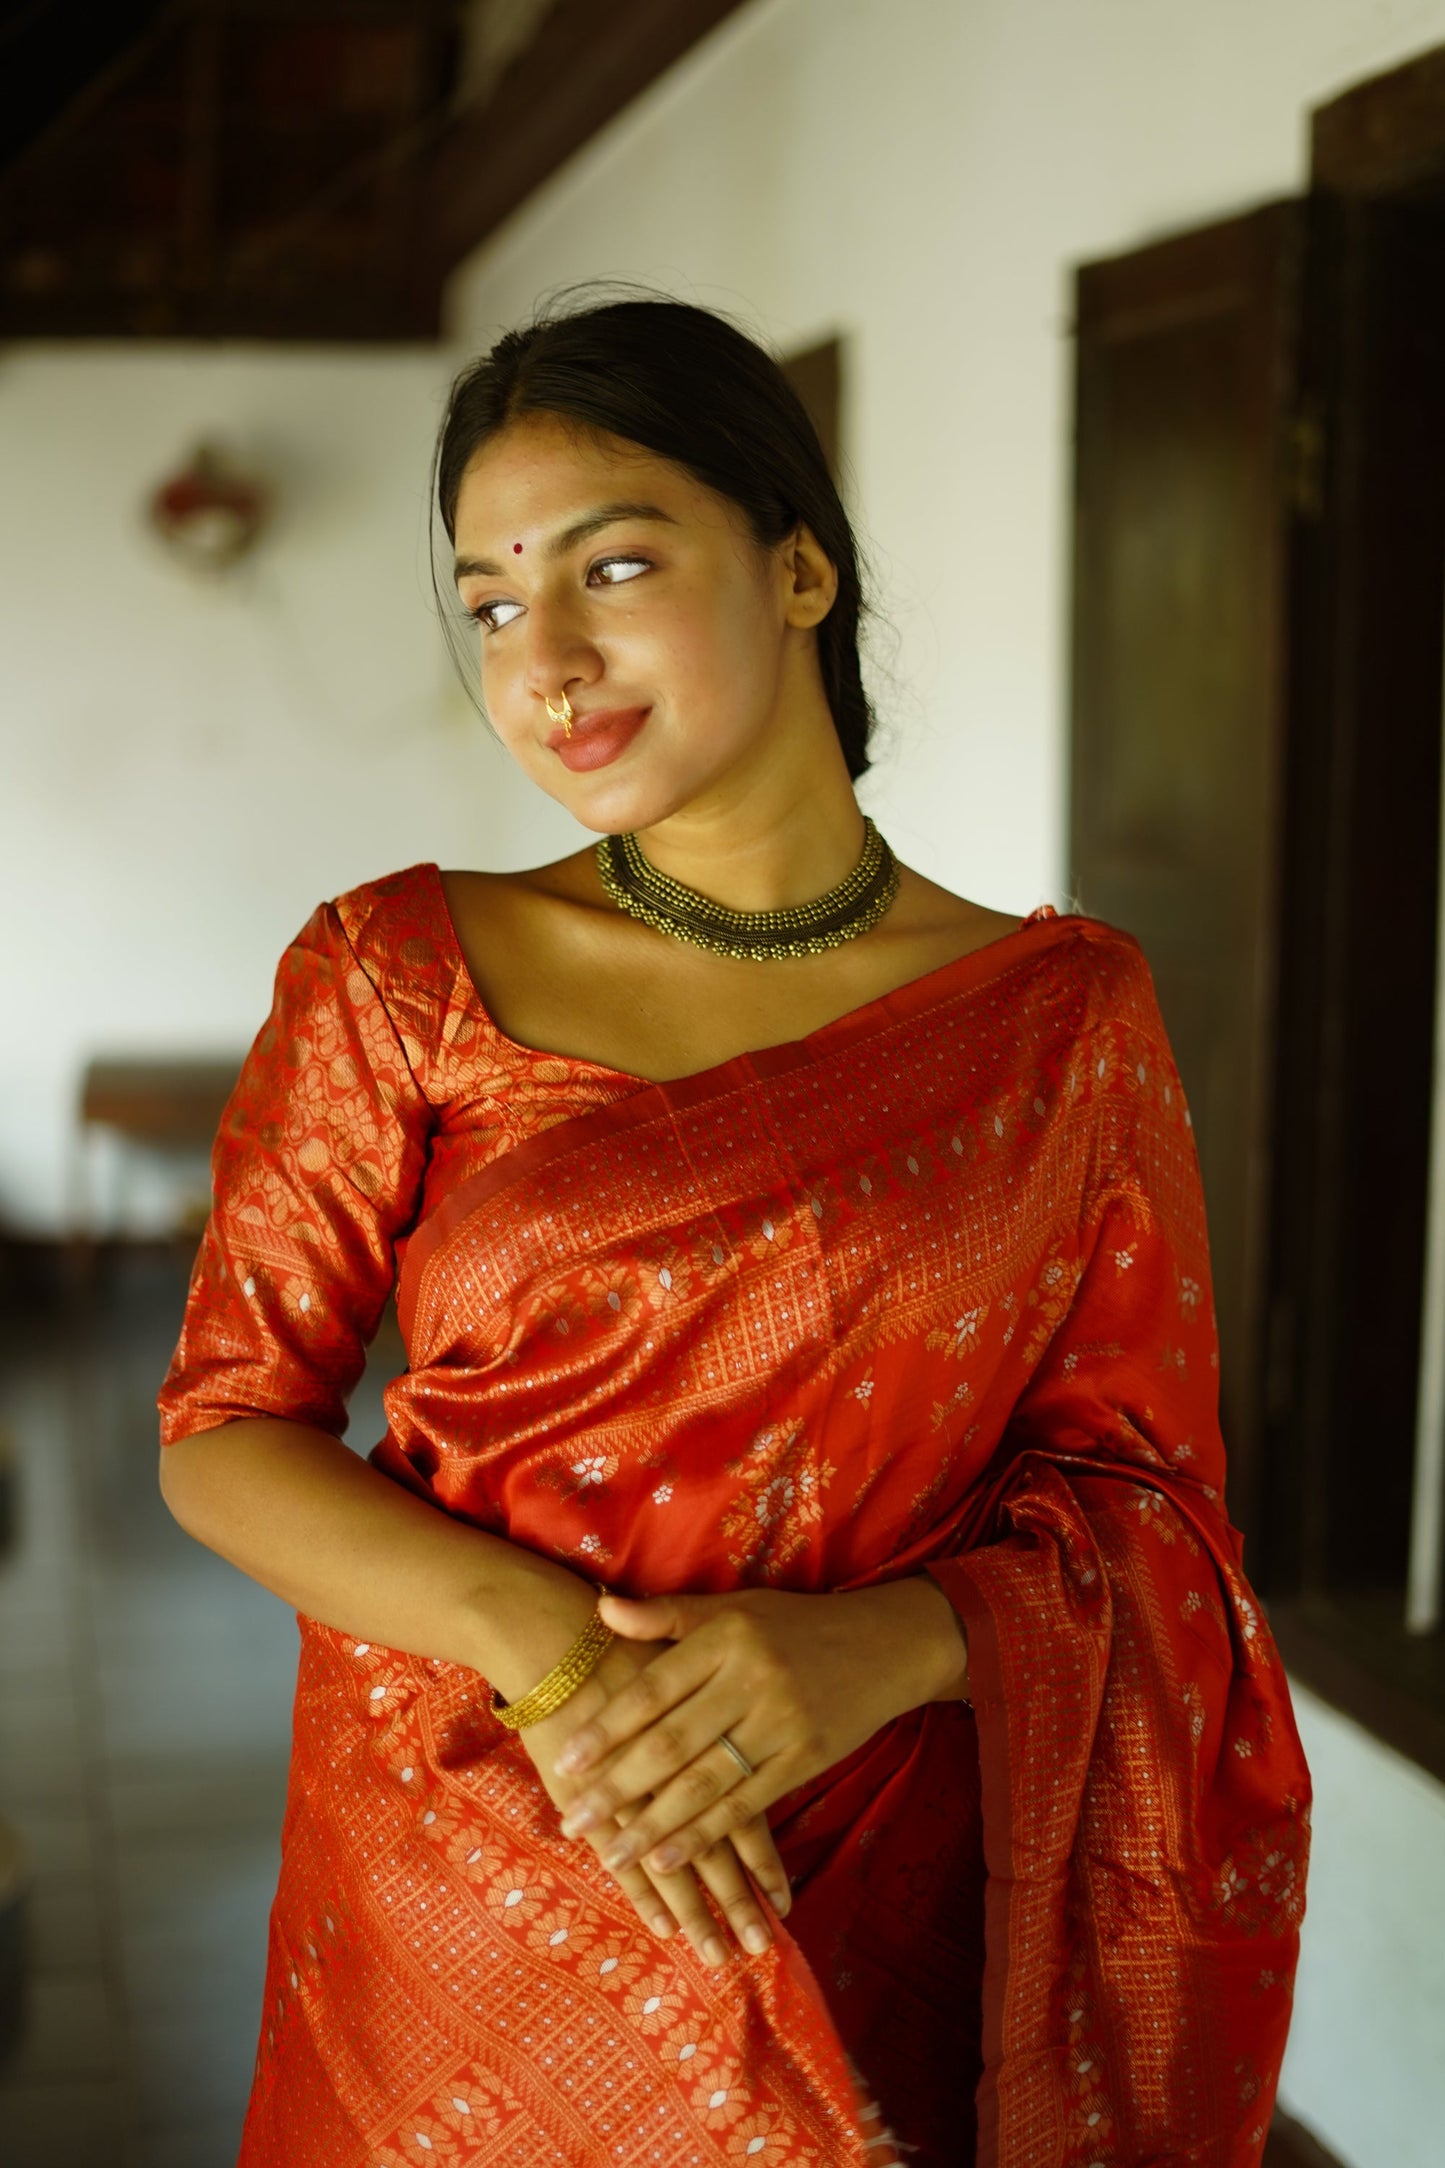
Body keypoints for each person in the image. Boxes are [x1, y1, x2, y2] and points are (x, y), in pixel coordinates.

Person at [157, 293, 1310, 2168]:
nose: (548, 659)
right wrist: (551, 1653)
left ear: (796, 569)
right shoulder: (403, 968)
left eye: (613, 565)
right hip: (480, 1857)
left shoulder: (1058, 1019)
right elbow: (221, 1428)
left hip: (872, 1848)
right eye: (492, 602)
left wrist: (896, 1647)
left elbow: (1141, 1505)